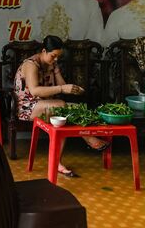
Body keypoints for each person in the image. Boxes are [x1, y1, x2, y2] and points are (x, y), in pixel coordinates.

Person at [15, 35, 110, 177]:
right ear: (43, 51)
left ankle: (57, 163)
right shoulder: (31, 64)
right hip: (27, 106)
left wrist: (65, 81)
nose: (56, 59)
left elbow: (62, 85)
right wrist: (62, 89)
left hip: (45, 104)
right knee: (61, 105)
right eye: (53, 56)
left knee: (72, 111)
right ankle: (90, 139)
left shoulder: (52, 63)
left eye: (58, 56)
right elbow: (35, 91)